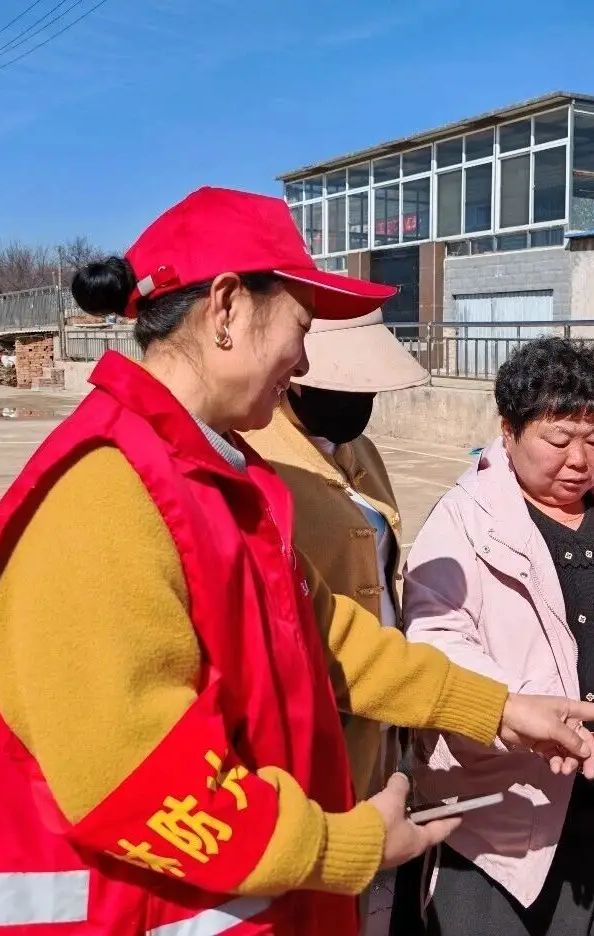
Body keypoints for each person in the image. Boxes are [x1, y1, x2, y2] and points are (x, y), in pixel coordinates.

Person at [0, 187, 594, 936]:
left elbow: (335, 640)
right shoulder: (106, 496)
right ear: (226, 308)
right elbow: (138, 782)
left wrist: (500, 709)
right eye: (301, 326)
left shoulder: (213, 478)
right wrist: (350, 845)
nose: (307, 360)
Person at [390, 337, 594, 936]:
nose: (579, 460)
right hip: (502, 821)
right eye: (558, 440)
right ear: (508, 432)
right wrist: (514, 709)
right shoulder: (464, 520)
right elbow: (436, 638)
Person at [241, 307, 428, 820]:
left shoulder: (361, 451)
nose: (357, 401)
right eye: (345, 387)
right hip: (311, 713)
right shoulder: (255, 458)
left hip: (380, 704)